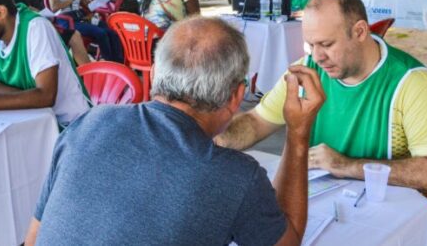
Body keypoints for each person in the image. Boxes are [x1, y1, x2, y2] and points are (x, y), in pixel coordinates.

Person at [25, 17, 325, 245]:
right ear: (237, 96)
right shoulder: (235, 177)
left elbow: (34, 238)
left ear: (154, 74)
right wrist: (298, 134)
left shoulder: (86, 125)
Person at [216, 0, 427, 195]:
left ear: (360, 32)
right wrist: (211, 138)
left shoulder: (410, 82)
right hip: (320, 202)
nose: (318, 57)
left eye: (327, 44)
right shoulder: (307, 70)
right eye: (311, 45)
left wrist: (347, 166)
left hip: (382, 210)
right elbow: (257, 122)